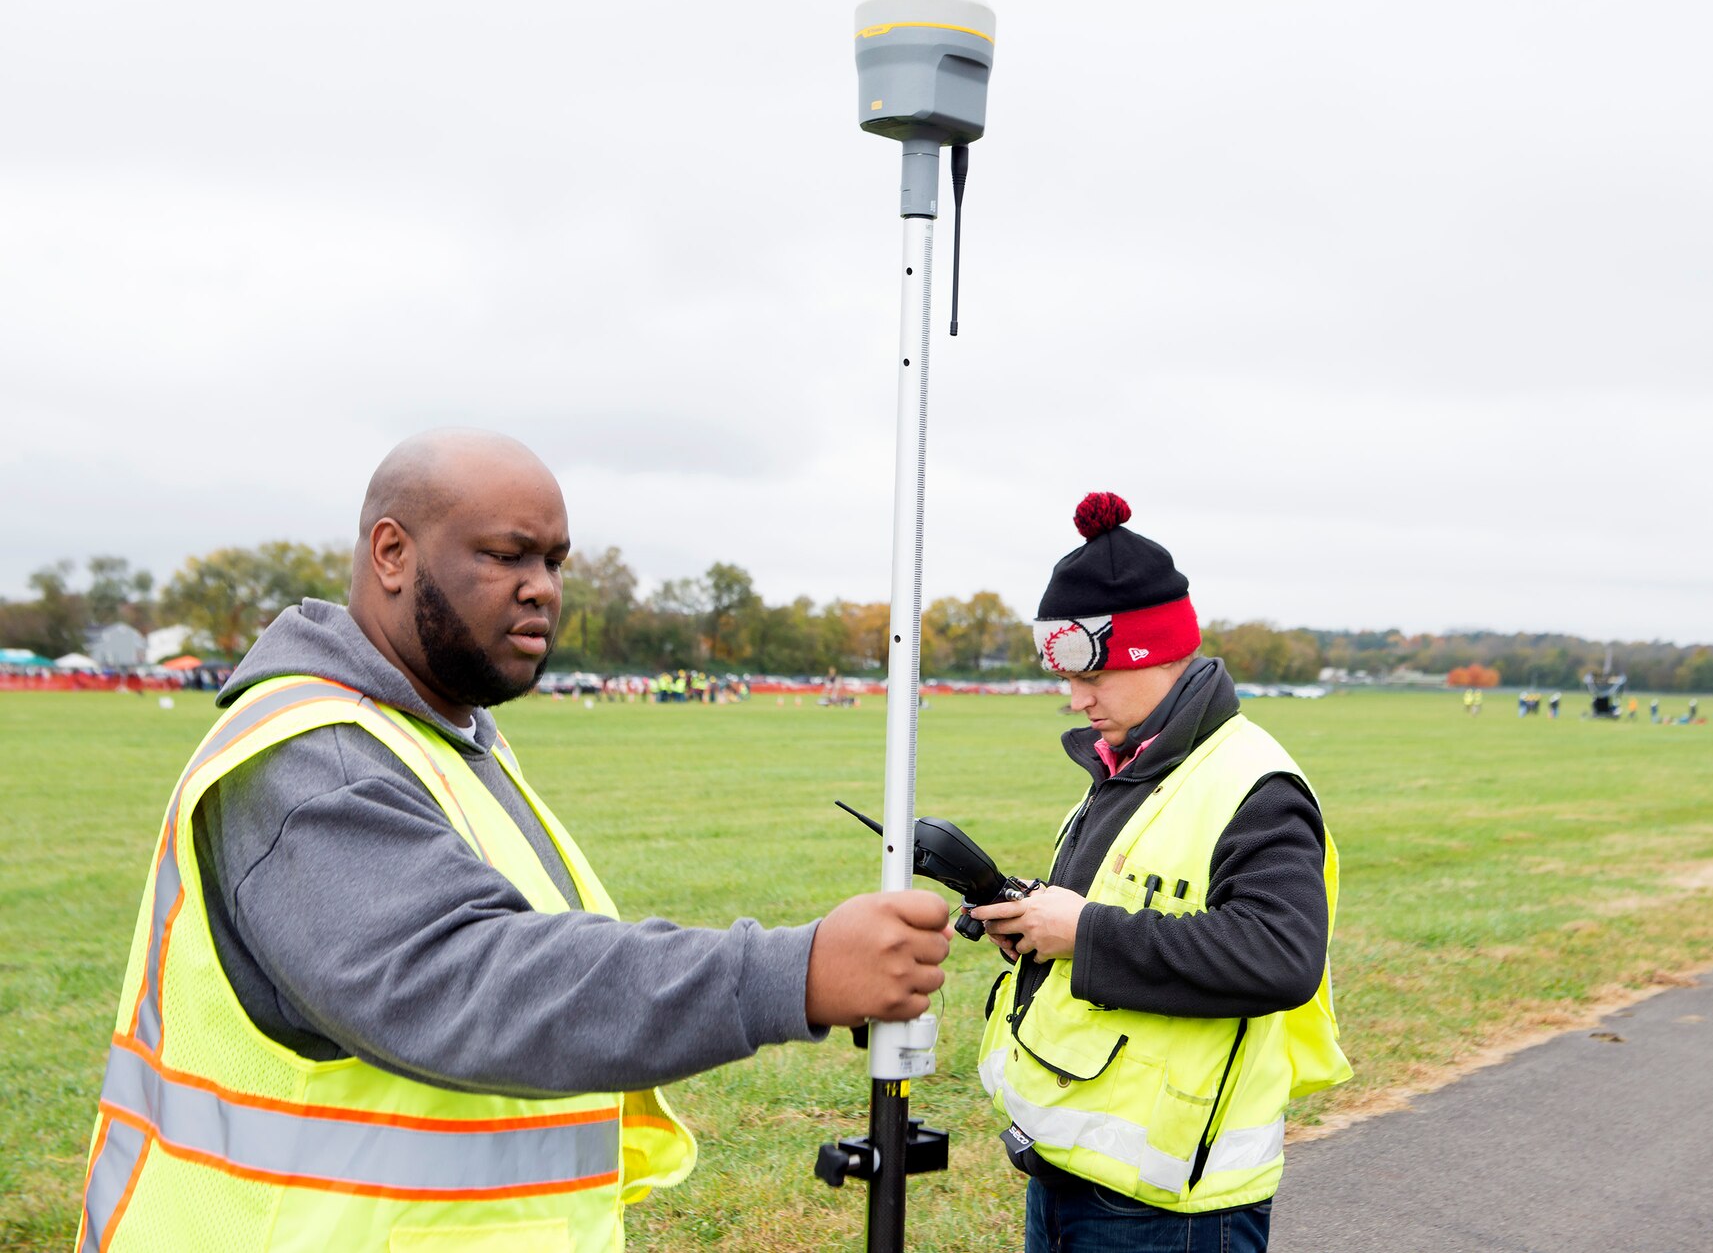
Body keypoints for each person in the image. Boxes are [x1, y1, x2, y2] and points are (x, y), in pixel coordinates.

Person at [74, 430, 950, 1251]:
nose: (543, 586)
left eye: (555, 560)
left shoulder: (442, 734)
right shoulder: (318, 757)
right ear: (391, 553)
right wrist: (789, 973)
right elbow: (465, 980)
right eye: (505, 555)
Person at [968, 492, 1349, 1253]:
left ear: (1156, 656)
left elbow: (1280, 956)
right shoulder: (1129, 764)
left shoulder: (1254, 783)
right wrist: (1038, 927)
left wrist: (1081, 931)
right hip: (1070, 1174)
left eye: (1096, 676)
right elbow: (1109, 916)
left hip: (1177, 1210)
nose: (1076, 699)